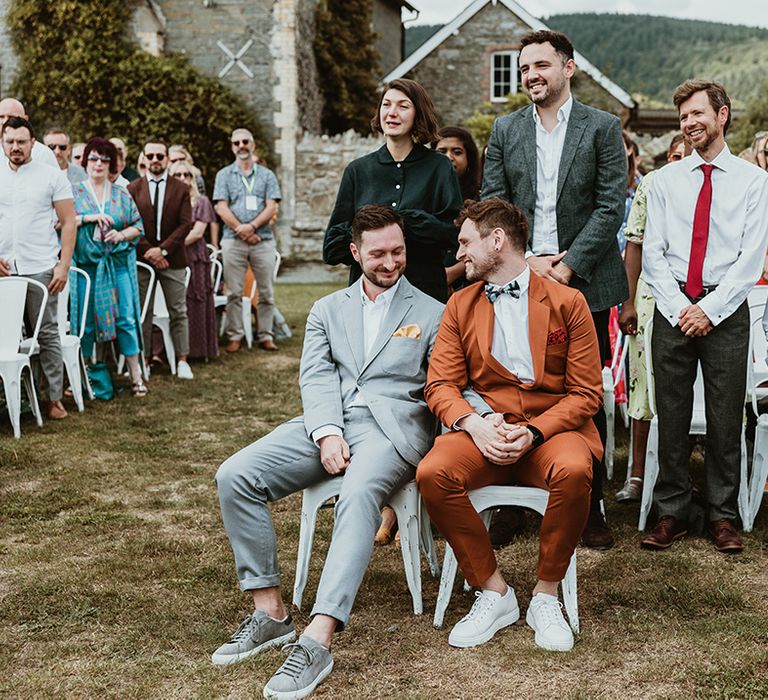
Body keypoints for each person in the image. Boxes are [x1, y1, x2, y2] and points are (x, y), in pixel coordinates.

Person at [213, 205, 444, 699]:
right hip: (327, 421)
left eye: (398, 251)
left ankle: (319, 636)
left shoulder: (432, 312)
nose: (390, 261)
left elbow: (442, 386)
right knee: (235, 474)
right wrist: (326, 432)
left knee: (358, 492)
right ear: (355, 252)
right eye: (378, 253)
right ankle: (270, 611)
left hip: (392, 432)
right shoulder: (326, 309)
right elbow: (316, 377)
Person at [417, 198, 602, 653]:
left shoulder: (568, 302)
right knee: (432, 474)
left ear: (496, 240)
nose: (459, 254)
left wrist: (536, 431)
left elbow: (586, 394)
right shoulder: (460, 304)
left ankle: (545, 594)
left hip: (550, 433)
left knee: (576, 471)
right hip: (484, 432)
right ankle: (493, 591)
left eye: (465, 242)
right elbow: (439, 383)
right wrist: (475, 423)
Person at [481, 30, 627, 550]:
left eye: (541, 65)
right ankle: (507, 503)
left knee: (584, 395)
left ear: (568, 68)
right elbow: (493, 206)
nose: (530, 76)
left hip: (582, 281)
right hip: (517, 276)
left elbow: (612, 205)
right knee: (510, 386)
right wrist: (525, 264)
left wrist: (565, 269)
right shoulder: (504, 129)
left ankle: (588, 507)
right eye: (523, 69)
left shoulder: (603, 127)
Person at [641, 80, 768, 553]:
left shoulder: (754, 181)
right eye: (683, 118)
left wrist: (709, 310)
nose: (690, 123)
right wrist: (680, 308)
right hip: (673, 307)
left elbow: (750, 258)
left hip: (726, 310)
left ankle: (722, 515)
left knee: (724, 415)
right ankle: (670, 511)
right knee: (671, 415)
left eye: (697, 114)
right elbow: (653, 254)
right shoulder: (664, 181)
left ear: (723, 115)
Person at [324, 78, 463, 304]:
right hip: (369, 298)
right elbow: (332, 248)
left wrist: (408, 222)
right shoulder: (358, 170)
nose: (392, 113)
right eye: (386, 105)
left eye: (403, 106)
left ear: (418, 114)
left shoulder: (439, 167)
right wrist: (375, 234)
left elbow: (453, 235)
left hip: (424, 293)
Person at [616, 133, 688, 502]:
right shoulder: (652, 186)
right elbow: (634, 245)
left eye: (686, 156)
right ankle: (638, 474)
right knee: (643, 387)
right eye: (674, 155)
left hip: (697, 297)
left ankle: (685, 473)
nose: (680, 161)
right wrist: (627, 302)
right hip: (649, 297)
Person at [0, 116, 76, 419]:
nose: (15, 147)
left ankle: (53, 398)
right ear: (3, 142)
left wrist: (63, 266)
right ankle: (9, 399)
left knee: (46, 333)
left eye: (21, 141)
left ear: (33, 143)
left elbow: (69, 222)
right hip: (5, 266)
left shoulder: (51, 175)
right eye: (10, 141)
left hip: (41, 265)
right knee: (4, 336)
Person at [70, 137, 146, 396]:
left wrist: (120, 235)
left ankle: (136, 376)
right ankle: (86, 375)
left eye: (104, 159)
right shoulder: (74, 191)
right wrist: (89, 218)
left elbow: (138, 226)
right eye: (93, 158)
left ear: (111, 164)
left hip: (117, 265)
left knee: (125, 318)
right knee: (86, 323)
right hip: (87, 266)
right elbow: (61, 223)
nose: (98, 164)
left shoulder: (121, 193)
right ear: (85, 161)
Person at [128, 140, 194, 380]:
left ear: (167, 159)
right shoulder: (133, 188)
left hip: (172, 259)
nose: (155, 160)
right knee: (142, 312)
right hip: (143, 259)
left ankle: (182, 359)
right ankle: (144, 360)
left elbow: (186, 223)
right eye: (151, 156)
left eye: (160, 156)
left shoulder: (180, 188)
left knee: (178, 310)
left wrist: (163, 251)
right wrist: (150, 252)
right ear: (144, 159)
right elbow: (130, 224)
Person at [213, 128, 281, 353]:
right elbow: (221, 207)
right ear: (232, 147)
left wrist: (251, 227)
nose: (241, 145)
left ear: (252, 144)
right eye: (236, 142)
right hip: (233, 240)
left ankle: (266, 334)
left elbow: (271, 206)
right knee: (233, 291)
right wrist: (241, 230)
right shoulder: (224, 175)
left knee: (266, 291)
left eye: (245, 141)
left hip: (262, 240)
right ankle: (235, 335)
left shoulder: (267, 175)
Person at [169, 160, 219, 361]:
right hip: (172, 256)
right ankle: (168, 351)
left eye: (187, 175)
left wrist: (170, 247)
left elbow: (198, 232)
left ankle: (197, 350)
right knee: (175, 303)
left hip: (193, 256)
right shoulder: (168, 201)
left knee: (195, 301)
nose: (183, 179)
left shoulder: (202, 202)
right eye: (178, 175)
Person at [436, 126, 482, 290]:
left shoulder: (481, 199)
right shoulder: (424, 196)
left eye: (457, 152)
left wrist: (452, 273)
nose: (449, 157)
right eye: (441, 152)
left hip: (470, 282)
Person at [0, 98, 58, 169]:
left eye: (11, 117)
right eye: (1, 117)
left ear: (25, 119)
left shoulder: (43, 154)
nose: (4, 121)